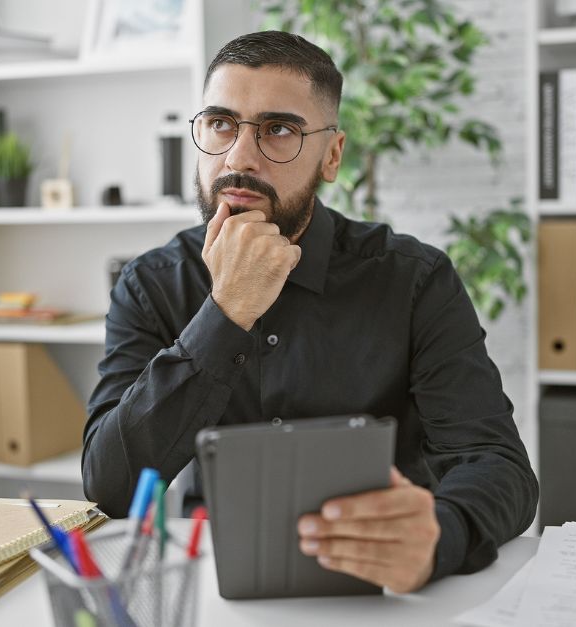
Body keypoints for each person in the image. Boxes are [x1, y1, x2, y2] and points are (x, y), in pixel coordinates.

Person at [83, 30, 537, 594]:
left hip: (382, 591)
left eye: (278, 130)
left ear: (332, 155)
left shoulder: (415, 279)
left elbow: (499, 467)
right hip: (215, 588)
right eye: (221, 124)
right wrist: (226, 313)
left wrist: (438, 537)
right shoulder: (151, 284)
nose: (239, 157)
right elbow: (110, 487)